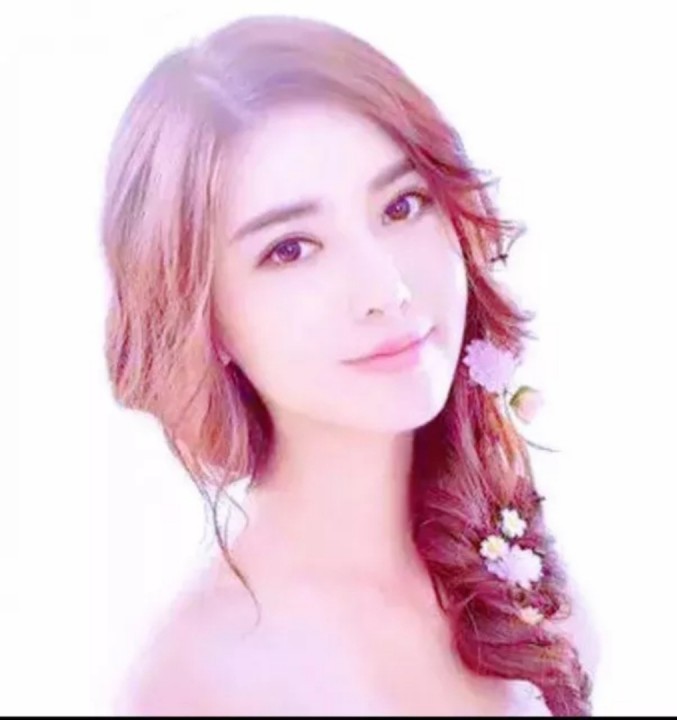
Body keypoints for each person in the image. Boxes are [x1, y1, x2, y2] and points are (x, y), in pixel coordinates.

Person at [101, 14, 598, 716]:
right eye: (291, 249)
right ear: (202, 317)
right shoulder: (200, 681)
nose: (387, 289)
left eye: (402, 206)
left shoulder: (523, 581)